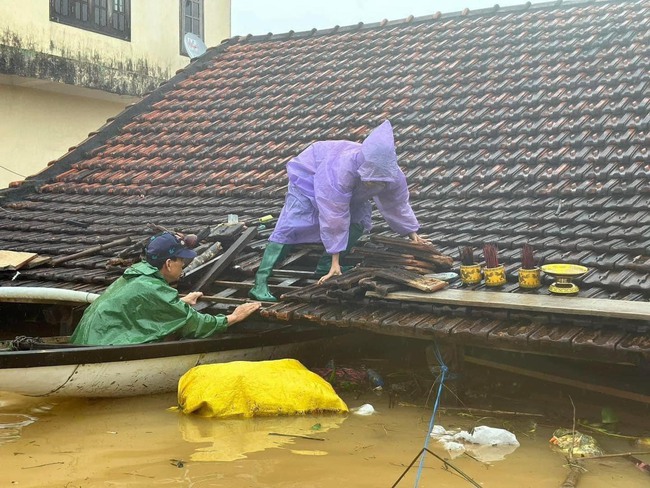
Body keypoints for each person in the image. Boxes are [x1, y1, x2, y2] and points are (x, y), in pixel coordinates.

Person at [249, 120, 428, 302]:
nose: (372, 184)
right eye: (370, 179)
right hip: (311, 174)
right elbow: (334, 214)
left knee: (358, 221)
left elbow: (397, 203)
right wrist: (336, 260)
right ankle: (260, 282)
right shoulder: (342, 168)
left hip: (351, 191)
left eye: (377, 181)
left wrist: (412, 233)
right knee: (293, 223)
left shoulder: (393, 175)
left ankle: (326, 265)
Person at [71, 232, 261, 345]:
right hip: (105, 345)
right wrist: (233, 317)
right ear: (169, 264)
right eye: (182, 261)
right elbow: (194, 323)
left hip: (85, 340)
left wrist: (178, 302)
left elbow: (143, 307)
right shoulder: (153, 288)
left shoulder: (136, 276)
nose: (184, 265)